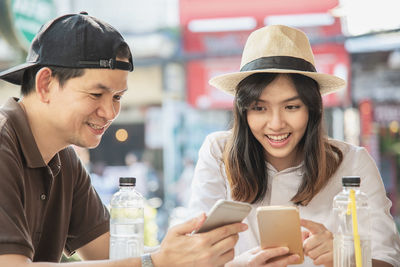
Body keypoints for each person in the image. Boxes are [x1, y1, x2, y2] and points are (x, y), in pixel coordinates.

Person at [0, 12, 247, 267]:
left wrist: (225, 260)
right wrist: (157, 262)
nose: (109, 113)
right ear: (45, 84)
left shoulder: (64, 159)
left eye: (117, 97)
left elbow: (112, 253)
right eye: (96, 94)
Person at [188, 25, 400, 266]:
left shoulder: (353, 162)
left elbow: (388, 259)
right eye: (259, 108)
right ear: (243, 111)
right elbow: (196, 252)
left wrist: (345, 257)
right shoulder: (219, 152)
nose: (276, 124)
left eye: (291, 107)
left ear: (313, 109)